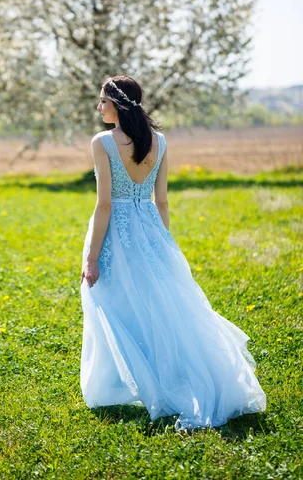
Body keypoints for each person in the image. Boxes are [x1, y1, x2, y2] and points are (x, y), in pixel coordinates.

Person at [80, 75, 267, 432]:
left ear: (117, 104)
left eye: (103, 100)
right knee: (159, 304)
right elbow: (161, 201)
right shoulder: (160, 142)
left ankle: (120, 385)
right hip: (151, 229)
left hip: (117, 232)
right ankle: (160, 374)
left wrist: (91, 257)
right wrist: (161, 244)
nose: (99, 107)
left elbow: (104, 205)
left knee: (111, 302)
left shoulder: (103, 142)